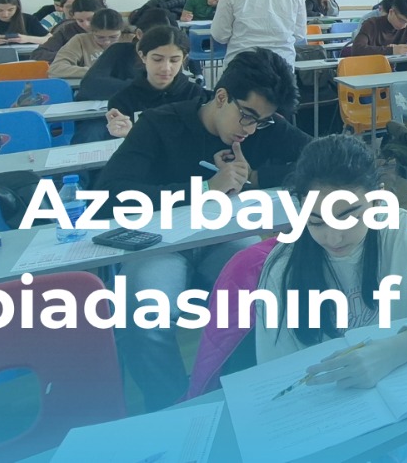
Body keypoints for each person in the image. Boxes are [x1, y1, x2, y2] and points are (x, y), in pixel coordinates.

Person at [95, 50, 309, 410]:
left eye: (261, 122)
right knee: (145, 314)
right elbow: (109, 196)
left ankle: (241, 396)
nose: (250, 129)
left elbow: (318, 158)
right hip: (159, 243)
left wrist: (257, 176)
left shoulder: (261, 124)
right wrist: (206, 189)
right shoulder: (160, 123)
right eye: (247, 117)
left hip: (223, 238)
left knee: (270, 293)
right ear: (221, 96)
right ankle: (171, 409)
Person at [253, 134, 407, 370]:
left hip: (400, 378)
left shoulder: (396, 231)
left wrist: (404, 345)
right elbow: (272, 371)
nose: (333, 238)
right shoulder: (282, 269)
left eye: (348, 218)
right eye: (316, 222)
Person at [102, 24, 205, 138]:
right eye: (157, 59)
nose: (166, 68)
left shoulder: (197, 95)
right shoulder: (122, 101)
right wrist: (125, 135)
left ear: (184, 59)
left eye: (174, 60)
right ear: (143, 56)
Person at [79, 8, 178, 103]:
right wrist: (144, 87)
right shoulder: (118, 51)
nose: (163, 45)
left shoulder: (175, 57)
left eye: (174, 60)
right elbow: (90, 84)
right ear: (139, 34)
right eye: (157, 39)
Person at [342, 0, 407, 57]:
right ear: (391, 12)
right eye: (401, 20)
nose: (404, 25)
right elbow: (357, 49)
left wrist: (405, 48)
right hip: (372, 69)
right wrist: (391, 50)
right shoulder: (371, 24)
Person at [47, 8, 126, 79]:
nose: (107, 42)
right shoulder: (81, 40)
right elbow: (55, 69)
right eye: (100, 37)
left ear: (121, 31)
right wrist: (97, 72)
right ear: (91, 32)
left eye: (113, 37)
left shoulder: (130, 39)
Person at [31, 0, 105, 63]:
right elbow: (38, 54)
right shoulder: (67, 30)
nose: (86, 24)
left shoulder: (109, 27)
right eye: (80, 20)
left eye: (90, 19)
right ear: (73, 17)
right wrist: (71, 55)